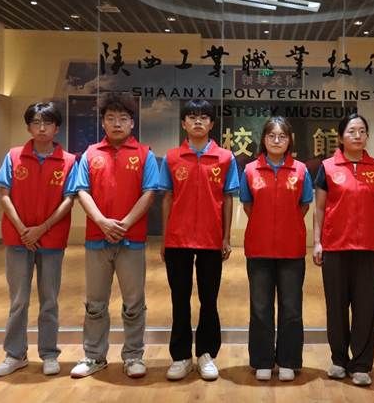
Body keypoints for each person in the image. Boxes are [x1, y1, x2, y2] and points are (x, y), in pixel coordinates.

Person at [70, 93, 159, 379]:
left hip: (132, 240)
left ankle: (133, 355)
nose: (117, 123)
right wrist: (101, 221)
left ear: (132, 123)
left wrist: (125, 224)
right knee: (95, 303)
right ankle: (94, 356)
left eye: (123, 118)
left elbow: (150, 192)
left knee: (134, 303)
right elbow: (81, 190)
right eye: (111, 118)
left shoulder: (144, 154)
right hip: (97, 239)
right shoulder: (90, 154)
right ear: (103, 122)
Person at [0, 102, 77, 377]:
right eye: (36, 123)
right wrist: (23, 229)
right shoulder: (14, 156)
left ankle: (49, 353)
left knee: (49, 299)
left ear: (56, 127)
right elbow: (4, 195)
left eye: (48, 123)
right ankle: (15, 354)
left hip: (52, 239)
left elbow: (69, 199)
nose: (42, 128)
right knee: (18, 300)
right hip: (17, 239)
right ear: (28, 127)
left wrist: (42, 228)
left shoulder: (69, 160)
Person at [159, 99, 239, 381]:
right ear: (183, 123)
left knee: (209, 300)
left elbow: (227, 199)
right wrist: (164, 239)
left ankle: (206, 354)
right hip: (177, 240)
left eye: (204, 117)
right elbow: (167, 198)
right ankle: (181, 356)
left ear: (212, 124)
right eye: (192, 117)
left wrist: (226, 237)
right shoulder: (171, 157)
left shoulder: (225, 158)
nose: (197, 121)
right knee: (179, 300)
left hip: (210, 239)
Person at [312, 113, 374, 387]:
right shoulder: (327, 167)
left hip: (367, 247)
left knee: (366, 307)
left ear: (367, 136)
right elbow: (320, 209)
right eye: (352, 131)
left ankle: (362, 364)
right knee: (336, 306)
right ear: (341, 136)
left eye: (362, 131)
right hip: (335, 246)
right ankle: (339, 359)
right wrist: (318, 242)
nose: (357, 135)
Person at [239, 116, 313, 382]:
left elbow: (304, 205)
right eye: (272, 136)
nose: (277, 140)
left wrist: (286, 224)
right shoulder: (250, 170)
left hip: (291, 249)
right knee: (260, 308)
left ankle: (288, 360)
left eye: (282, 136)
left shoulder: (301, 170)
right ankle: (262, 360)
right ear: (264, 139)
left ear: (290, 140)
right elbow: (248, 205)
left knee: (291, 308)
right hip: (258, 248)